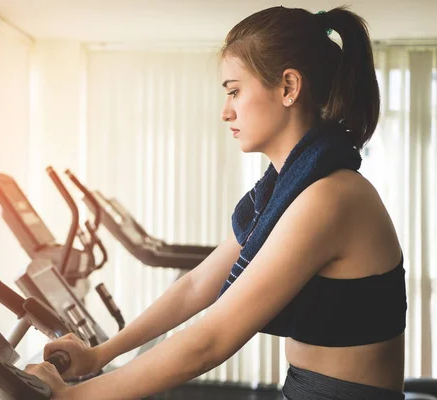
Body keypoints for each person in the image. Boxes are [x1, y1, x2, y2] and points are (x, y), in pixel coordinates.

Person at [25, 6, 407, 400]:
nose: (226, 112)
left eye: (234, 91)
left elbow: (212, 341)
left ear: (289, 87)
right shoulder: (287, 191)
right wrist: (97, 355)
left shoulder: (329, 196)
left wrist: (73, 397)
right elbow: (195, 286)